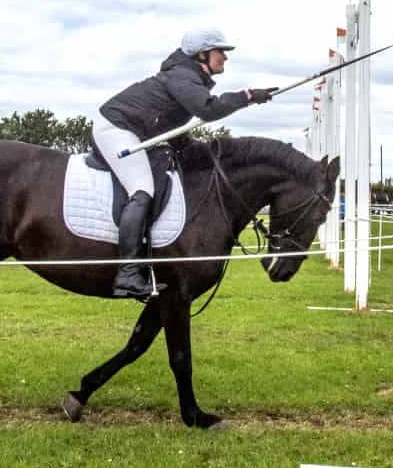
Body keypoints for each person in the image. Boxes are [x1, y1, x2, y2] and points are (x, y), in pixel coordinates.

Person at [94, 28, 272, 299]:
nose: (225, 57)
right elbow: (208, 109)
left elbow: (169, 127)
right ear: (201, 54)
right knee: (142, 191)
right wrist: (246, 96)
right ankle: (128, 273)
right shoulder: (183, 76)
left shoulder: (189, 77)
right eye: (219, 51)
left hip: (133, 130)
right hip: (115, 130)